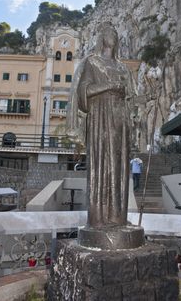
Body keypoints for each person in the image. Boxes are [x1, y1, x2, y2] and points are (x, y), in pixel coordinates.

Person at [67, 22, 135, 228]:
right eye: (108, 32)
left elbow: (131, 97)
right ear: (102, 38)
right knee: (102, 162)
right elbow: (83, 92)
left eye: (115, 32)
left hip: (120, 119)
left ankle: (118, 217)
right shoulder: (93, 63)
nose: (112, 34)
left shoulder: (123, 67)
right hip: (100, 118)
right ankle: (99, 218)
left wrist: (146, 99)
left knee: (119, 165)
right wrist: (108, 86)